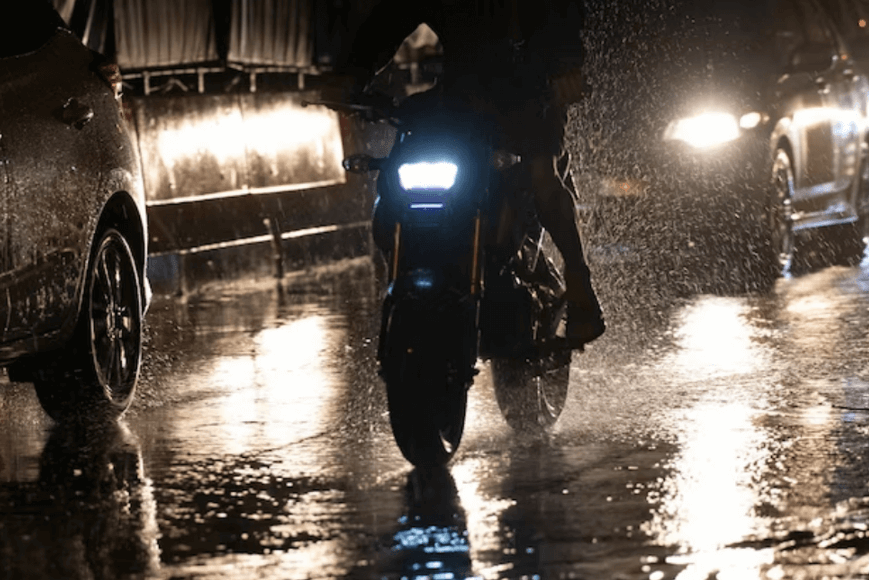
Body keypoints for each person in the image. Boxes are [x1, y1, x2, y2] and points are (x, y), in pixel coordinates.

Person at [338, 0, 605, 348]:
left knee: (541, 174)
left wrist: (565, 68)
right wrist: (353, 75)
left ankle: (580, 285)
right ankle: (413, 270)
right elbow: (391, 18)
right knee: (403, 156)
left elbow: (561, 15)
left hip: (531, 93)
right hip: (461, 98)